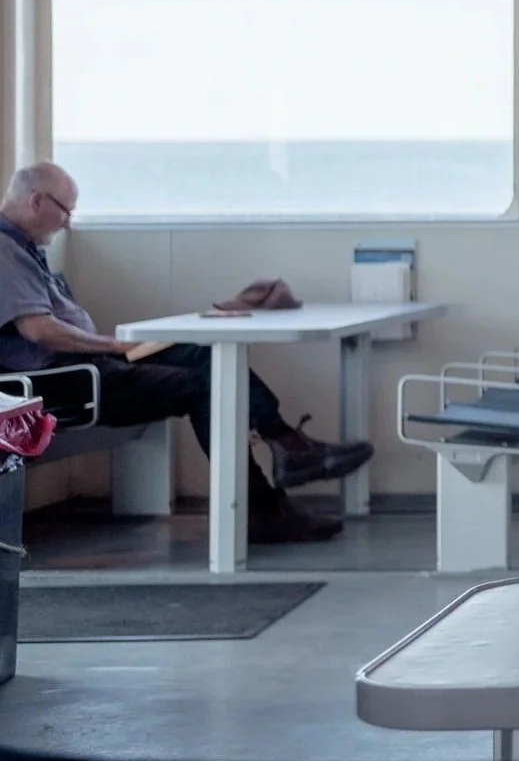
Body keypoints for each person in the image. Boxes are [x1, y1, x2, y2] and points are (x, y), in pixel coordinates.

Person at [0, 163, 369, 542]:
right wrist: (111, 344)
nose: (68, 224)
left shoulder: (23, 248)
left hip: (87, 365)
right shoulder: (5, 251)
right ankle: (264, 506)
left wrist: (114, 346)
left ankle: (287, 444)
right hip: (67, 380)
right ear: (36, 201)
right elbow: (38, 330)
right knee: (204, 386)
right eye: (66, 211)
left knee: (200, 354)